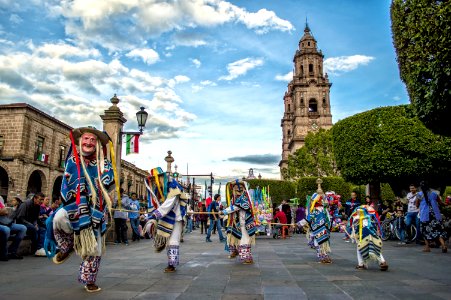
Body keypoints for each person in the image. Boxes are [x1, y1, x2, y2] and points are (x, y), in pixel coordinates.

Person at [49, 126, 116, 293]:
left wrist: (102, 178)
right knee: (58, 218)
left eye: (93, 140)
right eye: (86, 139)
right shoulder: (72, 160)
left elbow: (109, 182)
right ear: (80, 141)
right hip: (74, 205)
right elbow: (67, 182)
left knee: (96, 248)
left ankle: (89, 279)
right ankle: (67, 244)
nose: (89, 142)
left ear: (98, 144)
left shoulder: (103, 162)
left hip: (95, 209)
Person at [145, 167, 189, 273]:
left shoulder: (173, 185)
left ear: (160, 177)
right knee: (170, 241)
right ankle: (171, 263)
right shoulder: (161, 188)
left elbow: (169, 204)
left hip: (176, 217)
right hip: (167, 216)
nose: (154, 182)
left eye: (155, 179)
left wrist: (155, 215)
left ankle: (172, 264)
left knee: (173, 240)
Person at [221, 180, 257, 264]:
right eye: (236, 189)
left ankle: (248, 258)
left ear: (244, 189)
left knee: (244, 239)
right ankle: (235, 251)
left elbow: (235, 207)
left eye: (240, 189)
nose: (238, 191)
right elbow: (233, 207)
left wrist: (224, 211)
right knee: (232, 236)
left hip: (245, 223)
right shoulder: (234, 198)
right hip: (237, 222)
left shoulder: (244, 198)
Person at [349, 204, 388, 271]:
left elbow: (354, 228)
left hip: (363, 236)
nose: (357, 212)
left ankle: (361, 264)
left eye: (358, 211)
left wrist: (353, 236)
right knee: (376, 248)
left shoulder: (357, 218)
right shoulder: (369, 218)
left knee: (359, 249)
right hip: (372, 236)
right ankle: (382, 262)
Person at [416, 181, 447, 253]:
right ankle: (443, 245)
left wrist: (421, 205)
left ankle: (427, 247)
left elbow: (417, 204)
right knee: (438, 230)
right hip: (435, 215)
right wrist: (446, 204)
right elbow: (441, 203)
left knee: (425, 231)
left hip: (425, 215)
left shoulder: (419, 194)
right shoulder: (434, 194)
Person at [305, 193, 332, 264]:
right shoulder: (324, 209)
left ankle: (322, 256)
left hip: (318, 229)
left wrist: (299, 223)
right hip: (323, 229)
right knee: (323, 243)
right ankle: (324, 256)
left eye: (311, 201)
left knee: (318, 243)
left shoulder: (316, 210)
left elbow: (309, 219)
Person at [0, 197, 27, 261]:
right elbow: (3, 211)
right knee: (6, 230)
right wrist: (1, 211)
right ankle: (3, 253)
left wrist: (2, 211)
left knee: (23, 228)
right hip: (3, 224)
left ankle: (12, 251)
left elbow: (5, 211)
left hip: (4, 222)